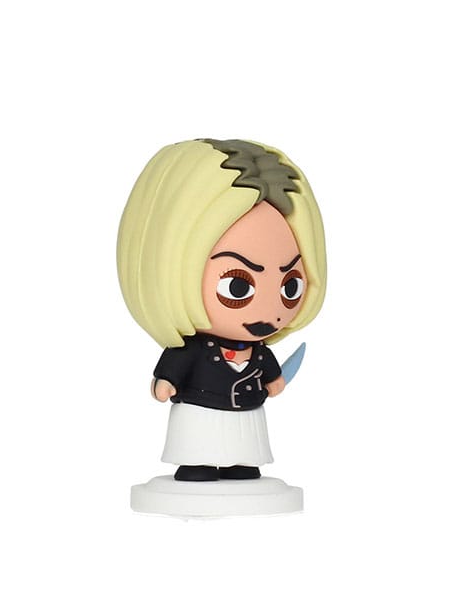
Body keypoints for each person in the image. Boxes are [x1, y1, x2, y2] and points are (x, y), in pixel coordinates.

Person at [117, 138, 327, 482]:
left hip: (247, 414)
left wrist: (275, 381)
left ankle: (242, 464)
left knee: (245, 452)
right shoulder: (191, 350)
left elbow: (270, 373)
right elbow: (171, 370)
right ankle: (196, 464)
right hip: (199, 414)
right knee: (198, 448)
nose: (269, 308)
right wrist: (165, 382)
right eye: (238, 286)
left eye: (290, 287)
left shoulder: (258, 351)